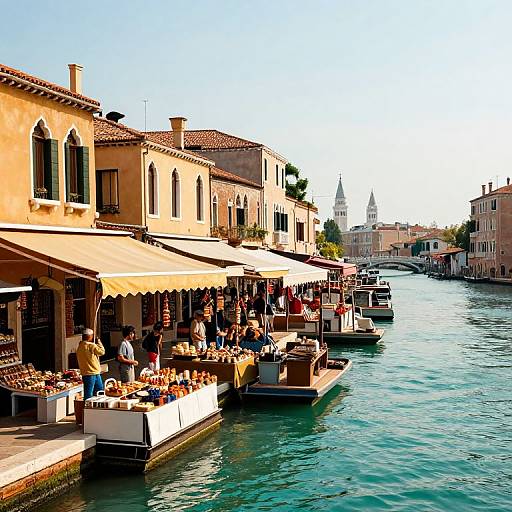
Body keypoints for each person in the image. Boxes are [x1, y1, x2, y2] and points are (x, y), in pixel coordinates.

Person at [76, 328, 105, 400]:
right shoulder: (91, 345)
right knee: (97, 393)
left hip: (87, 373)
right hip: (93, 372)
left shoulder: (80, 346)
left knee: (89, 393)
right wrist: (99, 342)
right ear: (90, 336)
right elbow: (102, 352)